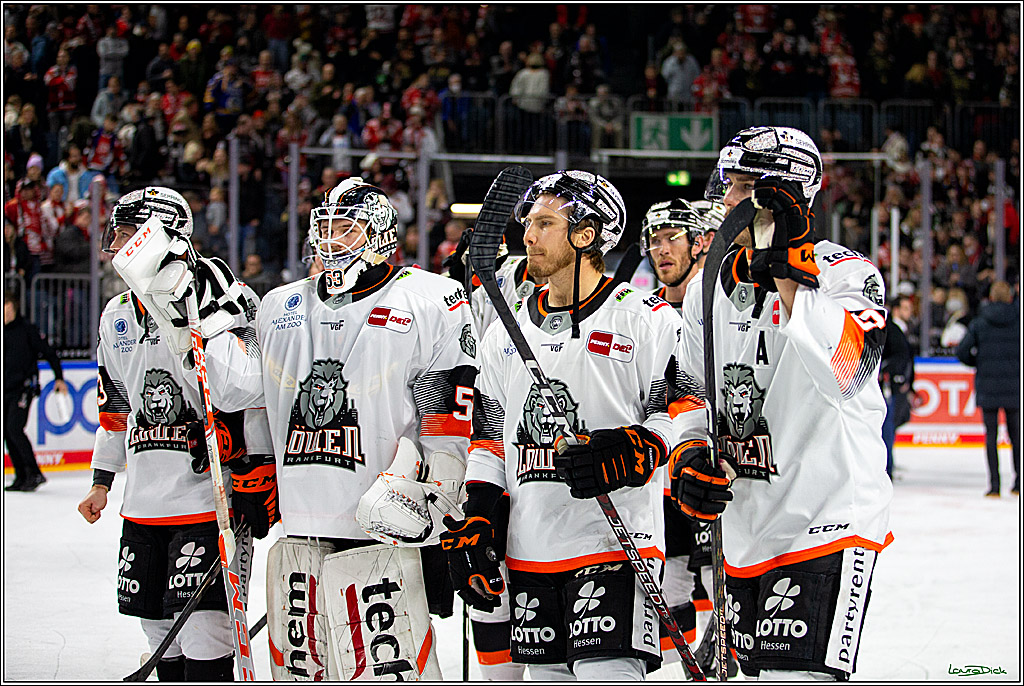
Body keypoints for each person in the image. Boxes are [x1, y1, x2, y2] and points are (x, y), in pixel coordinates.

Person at [184, 178, 476, 679]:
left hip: (385, 526)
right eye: (326, 227)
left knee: (390, 671)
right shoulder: (279, 304)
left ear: (381, 235)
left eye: (346, 228)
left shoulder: (432, 298)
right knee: (303, 670)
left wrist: (441, 498)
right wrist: (207, 322)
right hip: (301, 520)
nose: (331, 239)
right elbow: (241, 392)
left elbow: (452, 413)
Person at [671, 126, 894, 679]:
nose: (725, 201)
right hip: (747, 527)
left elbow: (850, 369)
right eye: (727, 184)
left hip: (829, 516)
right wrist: (690, 453)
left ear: (783, 194)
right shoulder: (710, 284)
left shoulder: (848, 273)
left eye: (742, 186)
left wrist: (790, 271)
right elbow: (693, 392)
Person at [447, 170, 685, 680]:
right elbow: (489, 440)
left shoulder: (646, 317)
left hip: (618, 546)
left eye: (545, 223)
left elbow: (680, 412)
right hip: (532, 551)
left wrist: (638, 448)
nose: (528, 236)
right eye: (529, 223)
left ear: (586, 234)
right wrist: (479, 515)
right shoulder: (503, 333)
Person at [76, 186, 277, 681]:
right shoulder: (116, 313)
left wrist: (259, 468)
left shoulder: (220, 292)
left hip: (208, 499)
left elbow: (250, 390)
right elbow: (118, 406)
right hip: (144, 501)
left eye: (127, 232)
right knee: (155, 632)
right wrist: (102, 479)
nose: (116, 242)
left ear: (158, 234)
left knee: (206, 635)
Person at [639, 198, 732, 675]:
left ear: (699, 244)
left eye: (671, 237)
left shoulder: (715, 308)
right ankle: (690, 667)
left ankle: (725, 640)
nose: (661, 249)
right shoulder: (643, 313)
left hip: (706, 464)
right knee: (673, 577)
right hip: (661, 473)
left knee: (718, 576)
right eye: (654, 240)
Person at [957, 281, 1020, 497]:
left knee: (991, 436)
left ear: (990, 298)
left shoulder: (980, 321)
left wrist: (978, 362)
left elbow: (961, 351)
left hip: (988, 385)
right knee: (1016, 436)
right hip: (1014, 384)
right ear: (1010, 297)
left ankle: (994, 485)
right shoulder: (1018, 319)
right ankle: (1019, 483)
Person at [4, 291, 66, 491]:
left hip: (24, 387)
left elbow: (49, 353)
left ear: (14, 307)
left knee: (14, 428)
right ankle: (21, 476)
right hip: (6, 388)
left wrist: (59, 378)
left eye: (7, 308)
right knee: (7, 432)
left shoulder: (26, 330)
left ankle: (35, 473)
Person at [880, 294, 917, 477]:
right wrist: (895, 375)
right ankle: (886, 467)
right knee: (888, 425)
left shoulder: (902, 329)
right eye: (905, 308)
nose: (909, 312)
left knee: (894, 423)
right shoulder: (891, 329)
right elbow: (896, 357)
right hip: (890, 385)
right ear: (896, 310)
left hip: (898, 384)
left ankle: (888, 465)